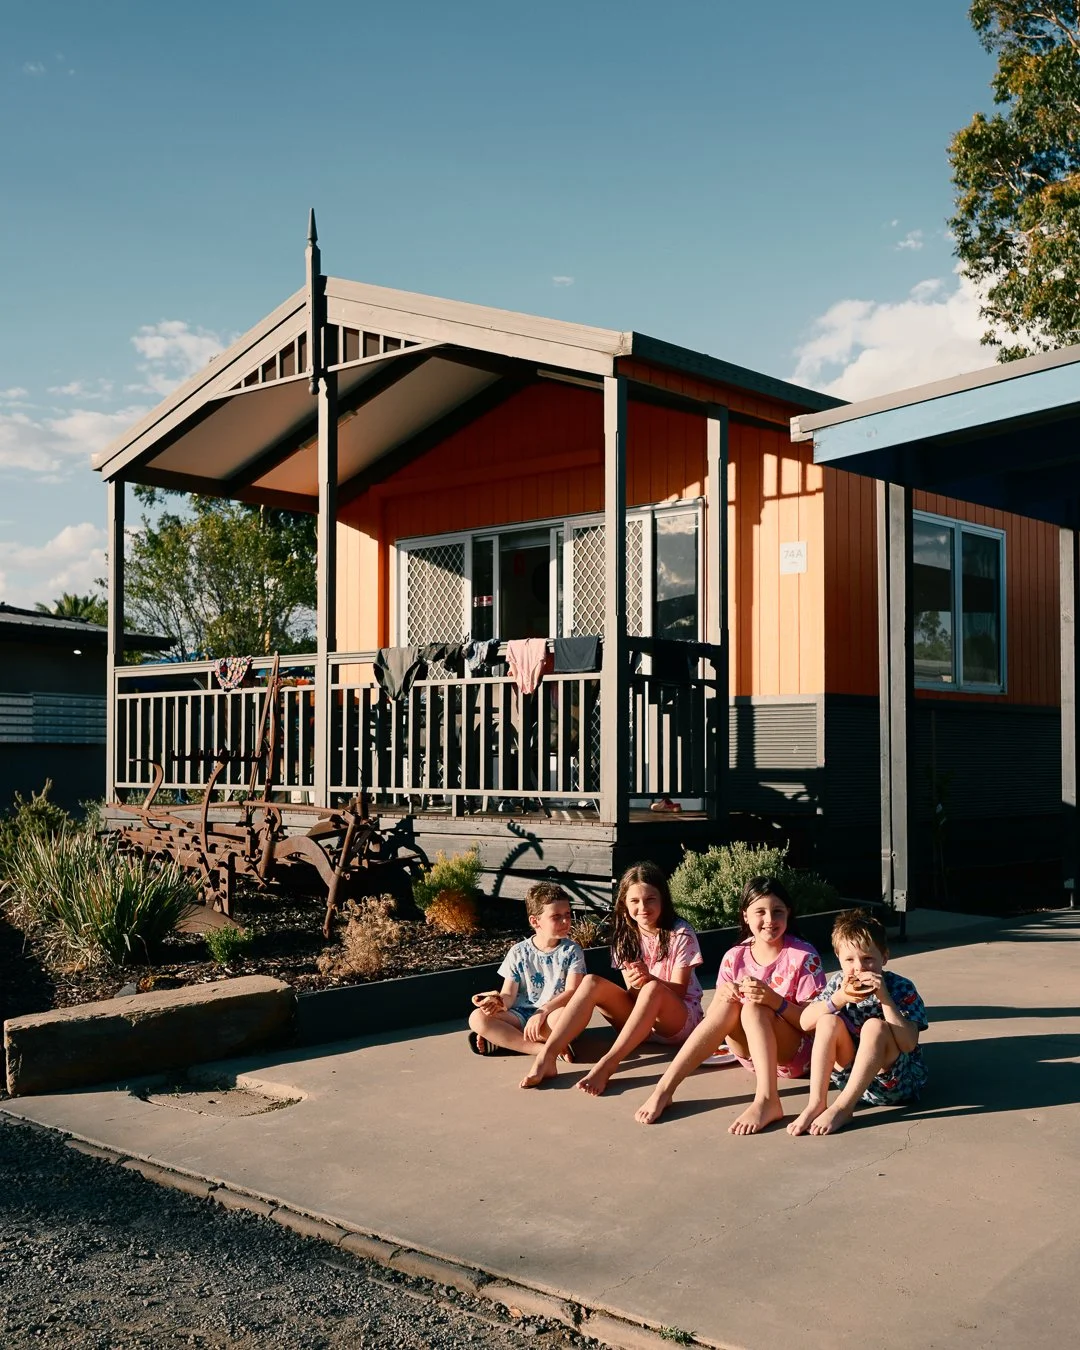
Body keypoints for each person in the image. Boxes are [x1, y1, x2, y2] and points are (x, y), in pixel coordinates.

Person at [635, 876, 826, 1133]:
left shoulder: (803, 956)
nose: (769, 920)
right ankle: (665, 1088)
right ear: (745, 916)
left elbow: (815, 1026)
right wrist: (723, 997)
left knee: (755, 1006)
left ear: (788, 915)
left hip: (797, 1057)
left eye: (777, 912)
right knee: (730, 1004)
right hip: (750, 1058)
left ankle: (768, 1100)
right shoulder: (734, 957)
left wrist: (775, 1002)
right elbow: (713, 1023)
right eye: (760, 912)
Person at [519, 861, 703, 1093]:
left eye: (650, 899)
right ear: (624, 904)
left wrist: (649, 980)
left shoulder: (680, 932)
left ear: (663, 899)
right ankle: (546, 1057)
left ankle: (607, 1065)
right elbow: (634, 995)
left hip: (679, 1023)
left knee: (653, 989)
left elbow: (678, 991)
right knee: (591, 982)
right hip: (641, 1025)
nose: (643, 907)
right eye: (634, 901)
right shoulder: (625, 936)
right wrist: (639, 983)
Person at [787, 908, 928, 1136]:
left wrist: (885, 998)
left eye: (868, 959)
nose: (859, 968)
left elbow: (909, 1043)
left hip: (894, 1084)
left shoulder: (900, 987)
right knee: (827, 1021)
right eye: (850, 960)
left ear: (884, 957)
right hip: (848, 1080)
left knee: (874, 1026)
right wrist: (840, 998)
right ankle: (816, 1102)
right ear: (839, 960)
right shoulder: (839, 984)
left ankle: (843, 1108)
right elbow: (805, 1022)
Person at [467, 882, 586, 1056]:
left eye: (567, 914)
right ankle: (542, 1049)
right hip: (519, 1015)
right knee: (477, 1018)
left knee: (564, 1020)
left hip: (552, 1014)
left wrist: (541, 1012)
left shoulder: (572, 951)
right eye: (556, 916)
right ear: (535, 921)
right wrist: (497, 1003)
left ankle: (506, 1040)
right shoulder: (519, 952)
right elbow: (508, 995)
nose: (565, 921)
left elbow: (572, 992)